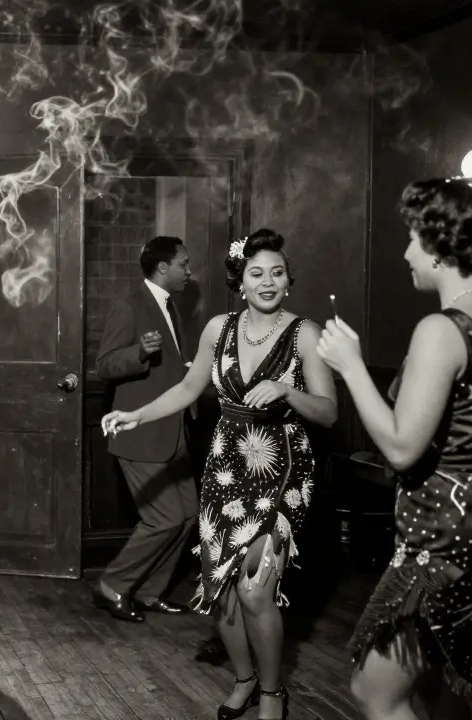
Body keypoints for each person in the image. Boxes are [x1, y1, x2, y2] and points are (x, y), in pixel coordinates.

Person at [317, 178, 472, 720]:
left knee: (374, 692)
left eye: (413, 237)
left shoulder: (441, 328)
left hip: (447, 529)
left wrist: (350, 366)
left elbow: (401, 449)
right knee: (442, 684)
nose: (407, 251)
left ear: (439, 243)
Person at [103, 229, 337, 720]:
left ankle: (273, 693)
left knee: (256, 590)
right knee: (223, 588)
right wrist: (136, 415)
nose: (268, 281)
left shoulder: (306, 334)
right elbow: (188, 388)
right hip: (225, 469)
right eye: (257, 273)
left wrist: (286, 390)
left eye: (277, 273)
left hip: (283, 470)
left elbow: (328, 412)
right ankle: (245, 679)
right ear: (241, 282)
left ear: (288, 281)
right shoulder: (218, 329)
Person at [93, 235, 198, 622]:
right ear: (163, 268)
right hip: (140, 433)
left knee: (188, 516)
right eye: (184, 264)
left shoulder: (172, 306)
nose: (189, 271)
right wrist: (139, 353)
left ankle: (151, 593)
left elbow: (172, 368)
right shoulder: (129, 305)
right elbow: (104, 365)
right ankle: (113, 585)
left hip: (174, 431)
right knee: (165, 517)